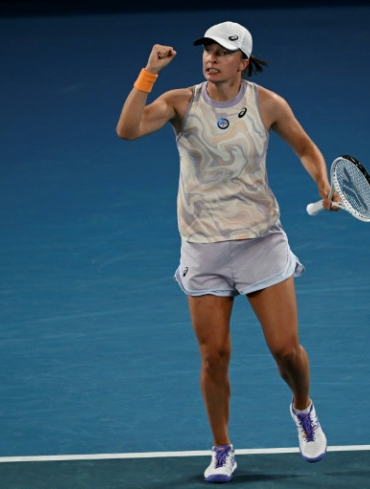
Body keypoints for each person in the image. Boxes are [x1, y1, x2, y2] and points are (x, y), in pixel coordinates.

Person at [116, 21, 336, 483]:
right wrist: (148, 74)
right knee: (214, 356)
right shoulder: (180, 102)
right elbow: (127, 129)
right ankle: (221, 449)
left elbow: (305, 146)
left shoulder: (267, 104)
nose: (211, 58)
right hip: (203, 247)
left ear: (243, 61)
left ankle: (302, 408)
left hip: (260, 241)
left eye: (223, 52)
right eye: (208, 50)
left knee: (286, 351)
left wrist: (323, 181)